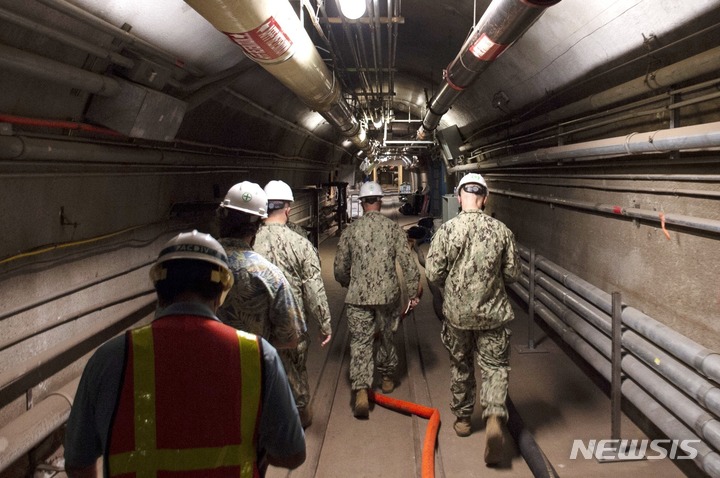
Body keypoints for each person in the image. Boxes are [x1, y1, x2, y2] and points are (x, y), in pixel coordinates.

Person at [64, 230, 306, 477]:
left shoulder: (109, 358)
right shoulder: (258, 356)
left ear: (159, 289)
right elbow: (292, 453)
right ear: (221, 291)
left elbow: (77, 461)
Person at [425, 172, 521, 466]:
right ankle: (493, 418)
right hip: (493, 314)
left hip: (457, 316)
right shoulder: (501, 231)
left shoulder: (448, 231)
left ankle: (464, 420)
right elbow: (512, 274)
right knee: (494, 368)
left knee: (461, 364)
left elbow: (432, 273)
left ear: (458, 197)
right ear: (485, 198)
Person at [333, 180, 421, 419]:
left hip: (358, 297)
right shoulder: (392, 229)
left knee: (360, 343)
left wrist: (348, 283)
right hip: (388, 296)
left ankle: (361, 389)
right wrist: (413, 294)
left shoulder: (351, 231)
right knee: (387, 337)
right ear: (380, 202)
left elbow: (340, 268)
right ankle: (387, 378)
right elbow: (408, 264)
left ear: (361, 203)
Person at [254, 179, 333, 428]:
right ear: (288, 208)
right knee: (295, 371)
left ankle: (261, 419)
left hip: (254, 327)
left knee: (257, 373)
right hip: (292, 325)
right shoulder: (301, 244)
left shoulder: (249, 241)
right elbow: (313, 288)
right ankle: (300, 416)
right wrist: (324, 324)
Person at [216, 181, 303, 350]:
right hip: (250, 370)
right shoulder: (269, 275)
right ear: (258, 225)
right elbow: (290, 338)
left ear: (222, 216)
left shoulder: (195, 264)